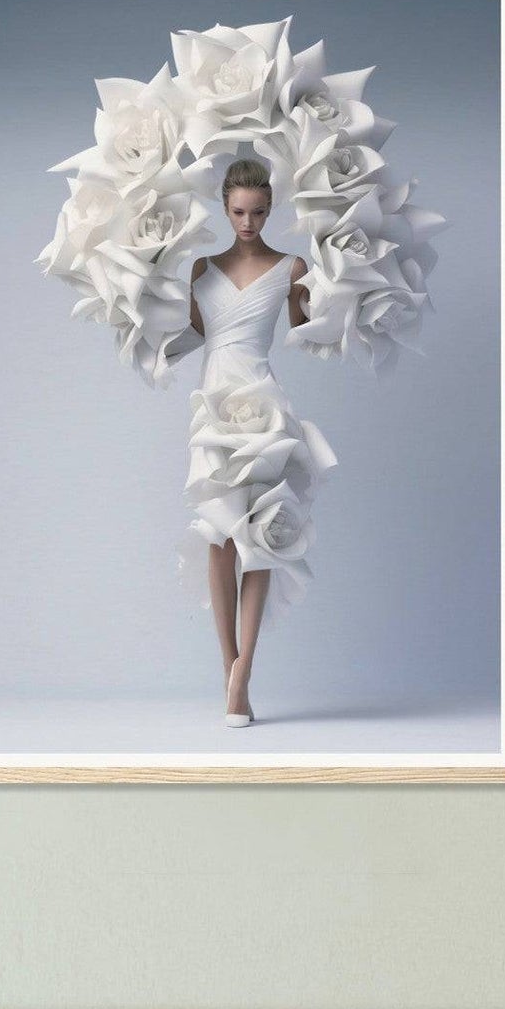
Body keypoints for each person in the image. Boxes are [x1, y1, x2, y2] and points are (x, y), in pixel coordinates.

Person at [169, 157, 336, 727]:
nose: (248, 222)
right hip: (213, 408)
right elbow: (195, 335)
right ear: (224, 206)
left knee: (262, 536)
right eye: (239, 211)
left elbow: (306, 331)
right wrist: (139, 338)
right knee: (220, 536)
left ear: (272, 208)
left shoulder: (291, 267)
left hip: (263, 405)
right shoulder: (200, 269)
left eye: (259, 211)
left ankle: (244, 674)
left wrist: (339, 291)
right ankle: (229, 668)